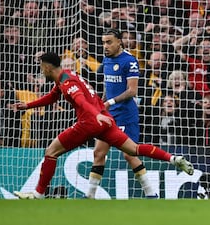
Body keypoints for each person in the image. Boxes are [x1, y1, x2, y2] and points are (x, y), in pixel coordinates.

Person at [11, 52, 194, 199]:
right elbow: (52, 97)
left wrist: (96, 114)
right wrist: (28, 105)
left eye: (41, 67)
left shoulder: (67, 82)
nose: (41, 71)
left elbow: (81, 101)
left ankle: (38, 193)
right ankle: (173, 159)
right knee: (134, 149)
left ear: (47, 67)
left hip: (90, 122)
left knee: (51, 152)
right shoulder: (67, 75)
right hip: (106, 120)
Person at [87, 29, 157, 199]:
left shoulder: (130, 61)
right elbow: (107, 86)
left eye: (109, 42)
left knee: (129, 154)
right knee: (98, 153)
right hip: (109, 115)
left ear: (119, 41)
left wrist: (110, 102)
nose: (105, 46)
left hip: (126, 115)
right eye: (103, 42)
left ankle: (151, 194)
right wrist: (101, 105)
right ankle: (89, 196)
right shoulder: (106, 60)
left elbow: (132, 91)